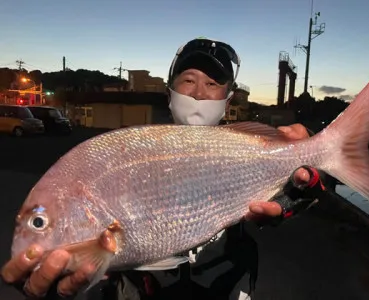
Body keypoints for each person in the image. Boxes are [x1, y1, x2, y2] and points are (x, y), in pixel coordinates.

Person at [1, 37, 326, 300]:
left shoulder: (246, 147)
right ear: (169, 93)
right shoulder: (124, 150)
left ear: (227, 100)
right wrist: (62, 284)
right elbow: (99, 262)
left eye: (212, 83)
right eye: (188, 80)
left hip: (229, 282)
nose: (199, 93)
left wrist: (298, 191)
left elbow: (284, 200)